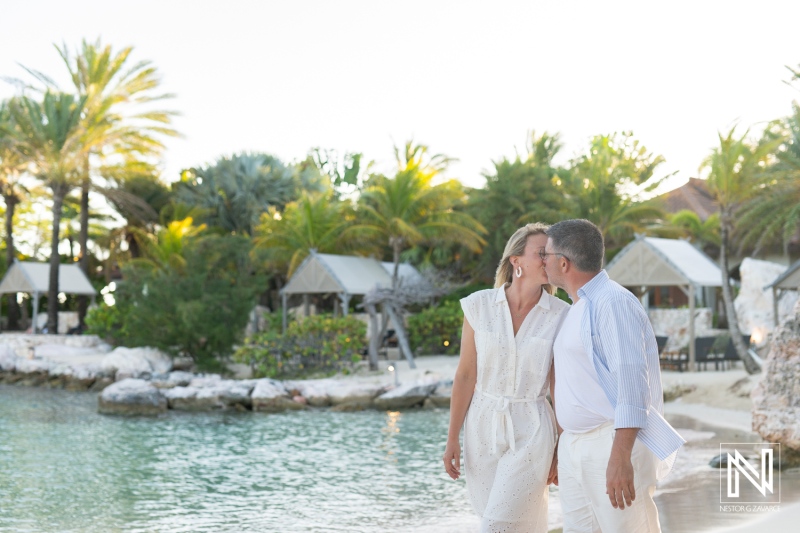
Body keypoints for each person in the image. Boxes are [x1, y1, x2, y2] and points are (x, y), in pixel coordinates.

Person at [542, 219, 685, 533]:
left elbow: (633, 388)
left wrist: (620, 457)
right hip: (574, 447)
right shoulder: (575, 308)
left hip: (610, 442)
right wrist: (560, 444)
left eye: (546, 255)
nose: (542, 261)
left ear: (563, 263)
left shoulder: (613, 302)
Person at [443, 223, 569, 532]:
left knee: (496, 525)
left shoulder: (561, 314)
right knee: (499, 519)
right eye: (541, 253)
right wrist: (452, 438)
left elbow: (560, 388)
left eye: (552, 254)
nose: (548, 260)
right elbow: (465, 375)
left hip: (532, 429)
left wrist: (559, 448)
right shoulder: (478, 306)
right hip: (481, 428)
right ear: (516, 261)